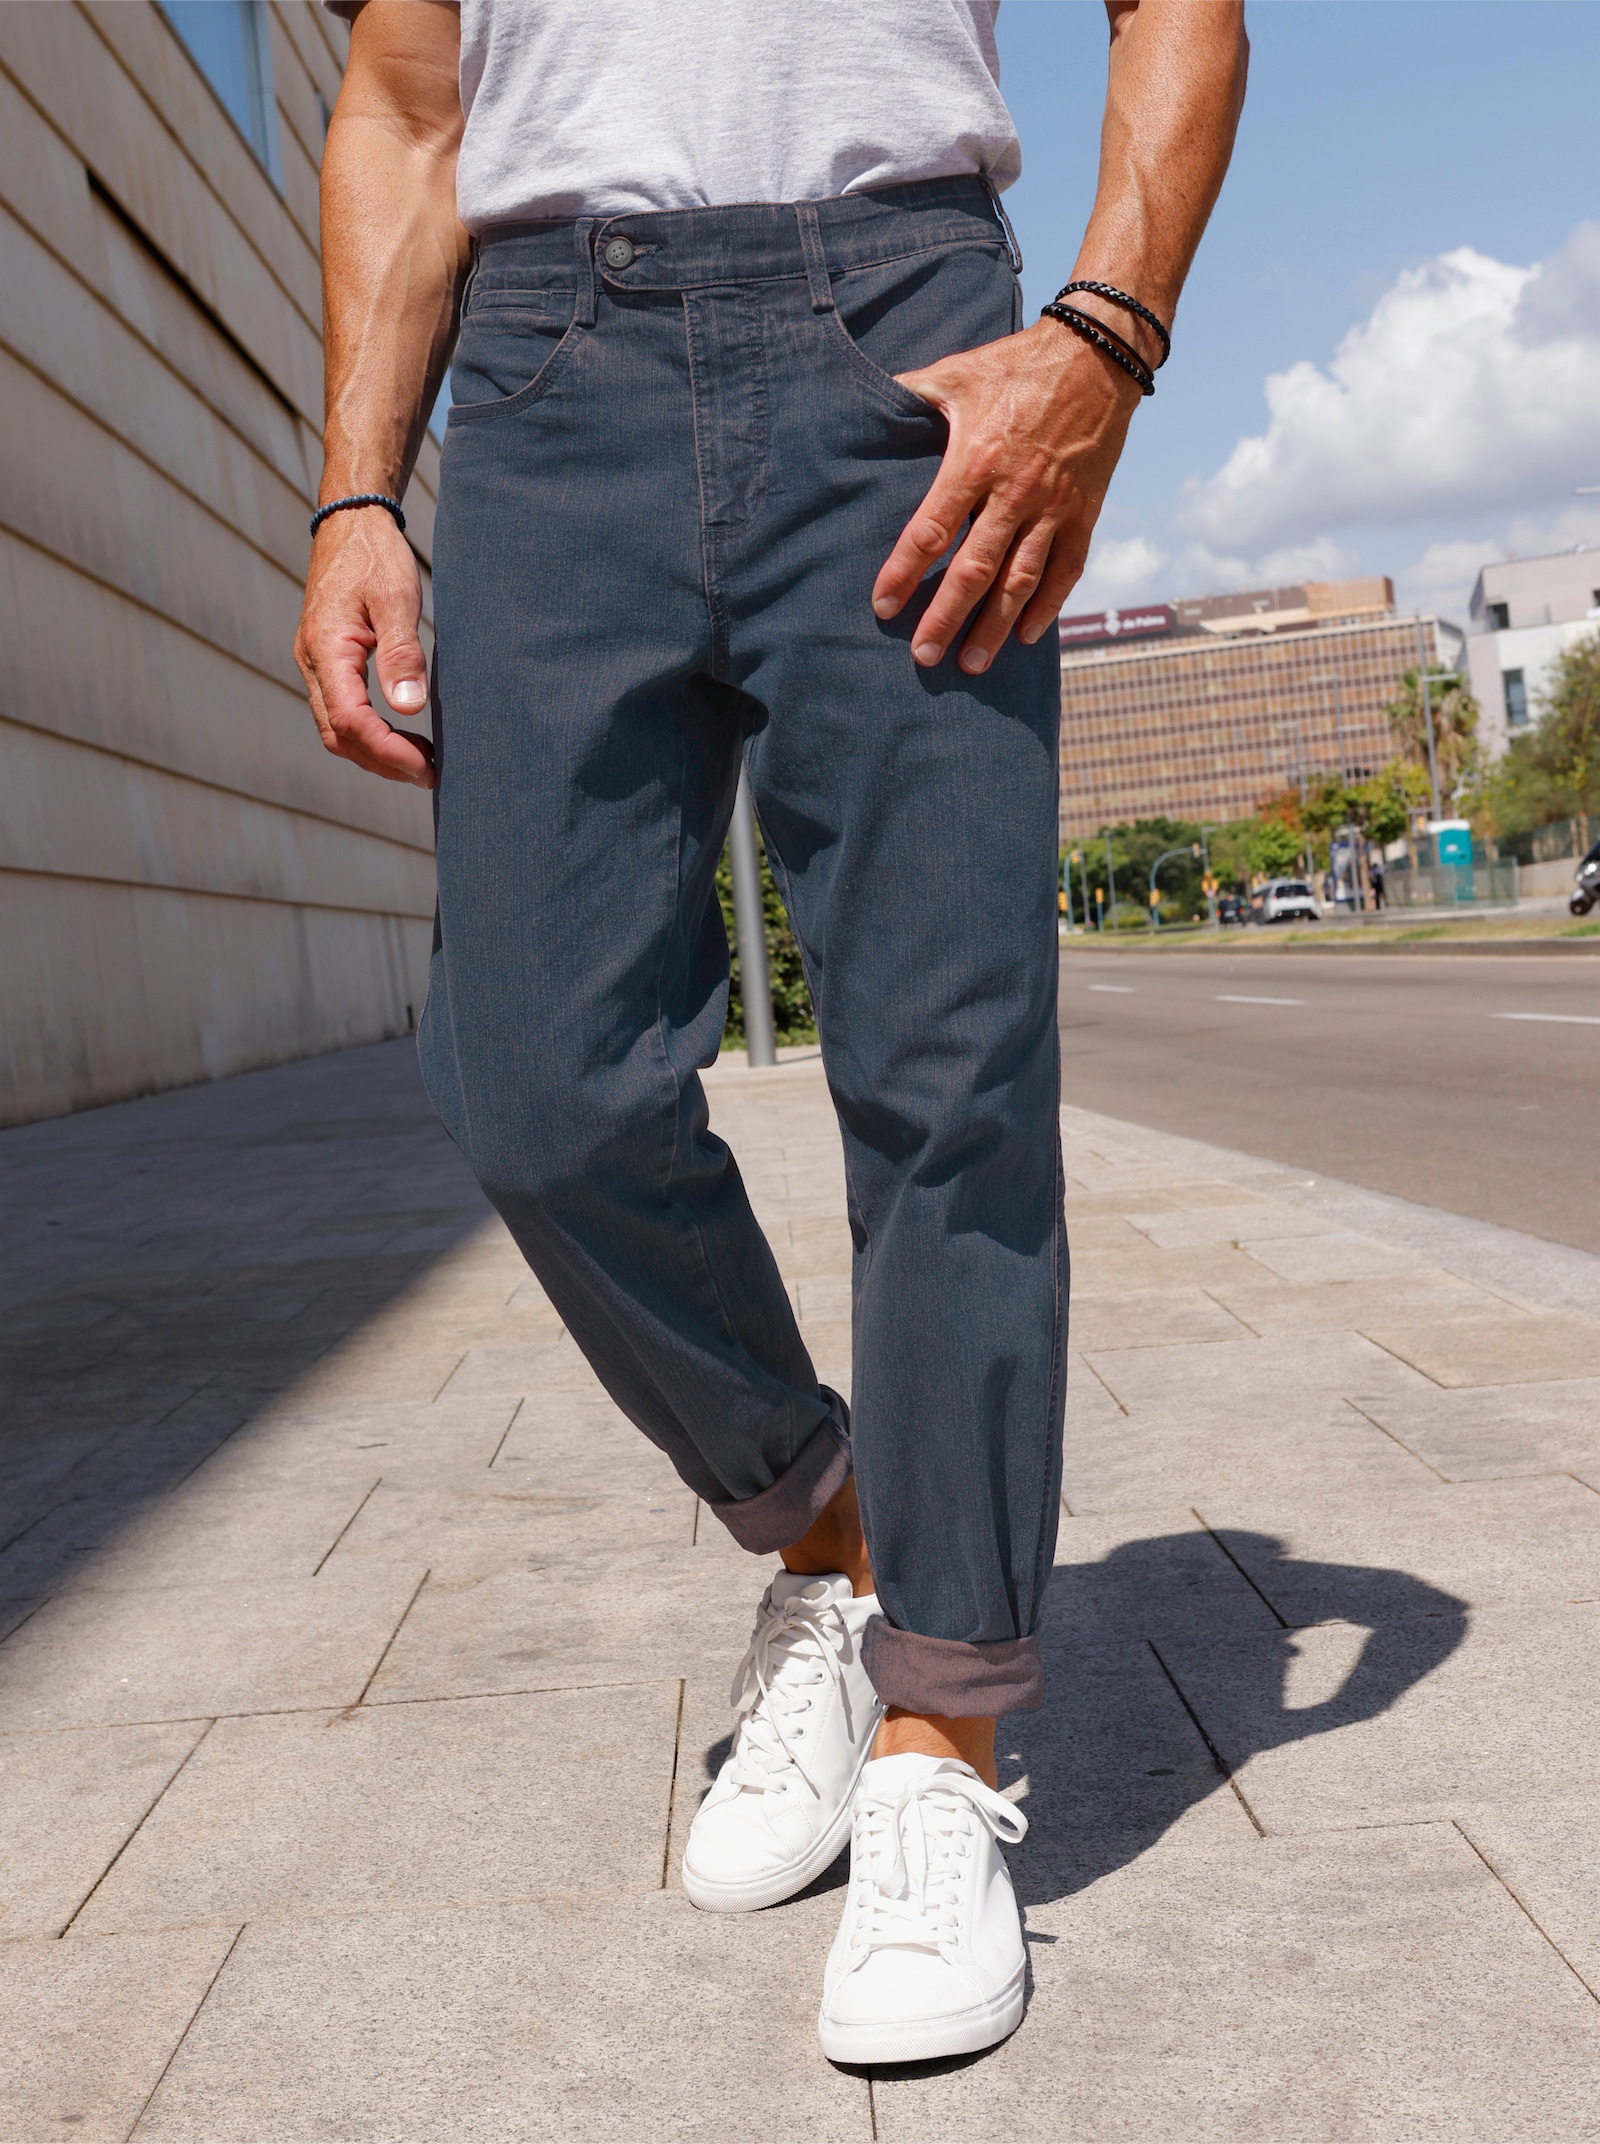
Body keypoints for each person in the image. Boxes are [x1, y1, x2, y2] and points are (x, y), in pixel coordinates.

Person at [297, 0, 1246, 2064]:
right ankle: (830, 1525)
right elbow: (399, 98)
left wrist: (1104, 333)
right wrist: (358, 491)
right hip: (547, 375)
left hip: (900, 325)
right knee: (527, 1079)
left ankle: (934, 1736)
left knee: (944, 1074)